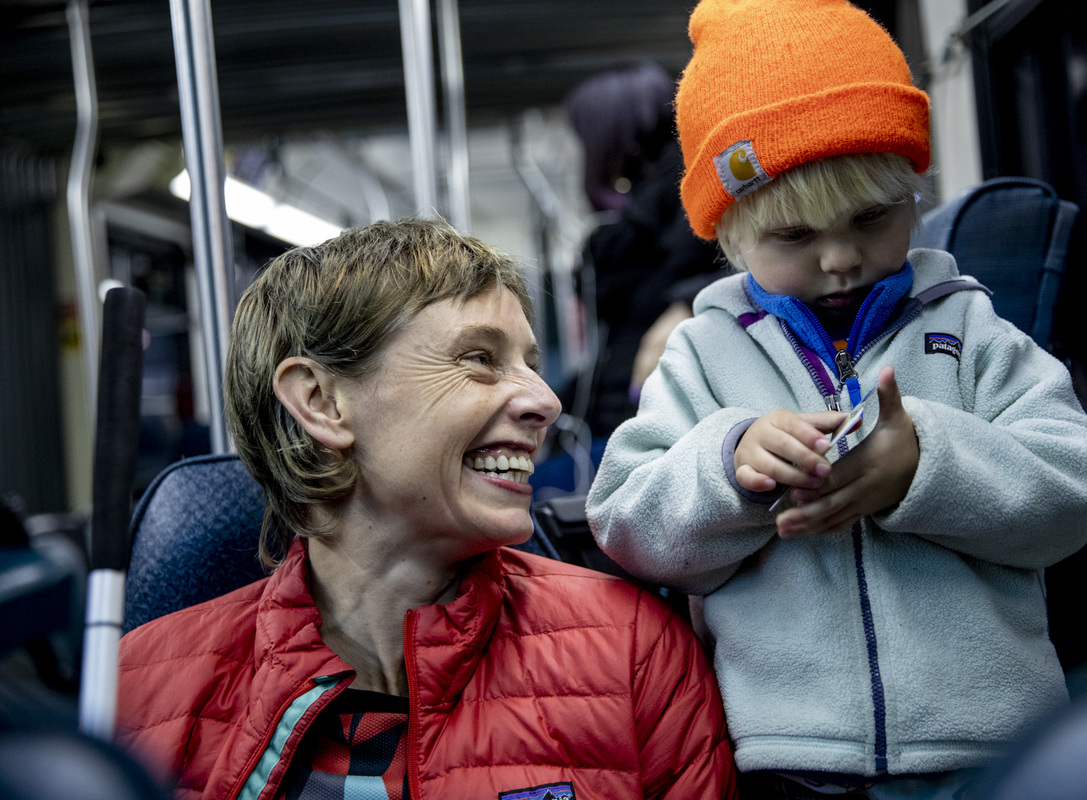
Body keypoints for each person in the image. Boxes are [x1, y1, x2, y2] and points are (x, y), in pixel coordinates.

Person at [586, 1, 1087, 798]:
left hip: (995, 748)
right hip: (783, 758)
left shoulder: (968, 328)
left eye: (871, 217)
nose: (840, 258)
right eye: (793, 237)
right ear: (729, 238)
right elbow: (628, 523)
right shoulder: (704, 355)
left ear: (914, 194)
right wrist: (729, 465)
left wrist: (926, 467)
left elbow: (1074, 487)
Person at [116, 219, 737, 800]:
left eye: (531, 365)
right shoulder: (135, 693)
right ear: (321, 401)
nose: (546, 401)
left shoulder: (635, 655)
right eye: (478, 359)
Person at [564, 62, 726, 439]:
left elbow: (754, 263)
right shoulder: (637, 212)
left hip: (658, 414)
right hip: (621, 409)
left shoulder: (692, 195)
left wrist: (687, 303)